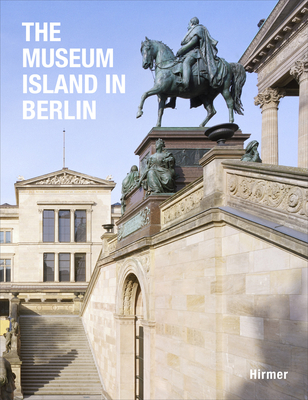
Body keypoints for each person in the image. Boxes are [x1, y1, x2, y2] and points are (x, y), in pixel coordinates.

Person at [176, 17, 226, 90]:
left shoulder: (198, 29)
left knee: (186, 62)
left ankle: (185, 82)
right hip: (189, 52)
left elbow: (194, 41)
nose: (187, 27)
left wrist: (182, 49)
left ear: (192, 24)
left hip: (195, 52)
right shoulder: (194, 30)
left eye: (188, 24)